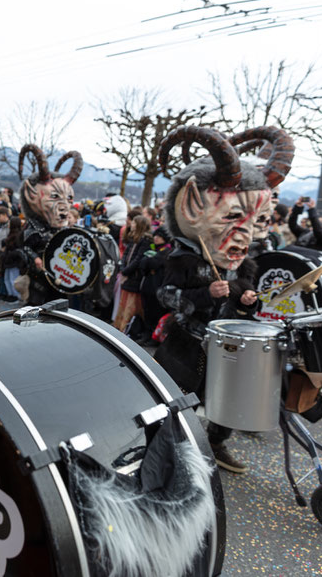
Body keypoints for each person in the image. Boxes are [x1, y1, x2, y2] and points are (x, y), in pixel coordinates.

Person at [154, 125, 292, 474]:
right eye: (232, 216)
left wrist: (246, 301)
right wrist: (202, 294)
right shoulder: (182, 259)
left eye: (256, 220)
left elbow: (243, 300)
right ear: (190, 205)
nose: (245, 235)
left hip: (226, 343)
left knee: (226, 399)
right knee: (176, 396)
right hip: (187, 342)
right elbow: (166, 296)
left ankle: (215, 442)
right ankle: (167, 445)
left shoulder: (243, 261)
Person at [19, 147, 83, 305]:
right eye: (54, 197)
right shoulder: (33, 227)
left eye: (69, 199)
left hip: (60, 281)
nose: (64, 206)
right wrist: (35, 259)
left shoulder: (65, 229)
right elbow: (25, 248)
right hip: (38, 281)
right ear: (31, 195)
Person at [113, 215, 152, 336]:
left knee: (131, 305)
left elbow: (137, 260)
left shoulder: (145, 241)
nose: (131, 224)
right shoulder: (133, 238)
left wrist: (125, 271)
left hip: (134, 277)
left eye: (134, 223)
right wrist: (123, 268)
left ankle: (128, 327)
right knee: (124, 303)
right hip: (128, 275)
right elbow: (125, 255)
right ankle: (120, 326)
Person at [1, 216, 25, 302]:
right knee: (7, 278)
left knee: (13, 279)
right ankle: (10, 294)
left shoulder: (18, 235)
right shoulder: (11, 234)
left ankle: (16, 296)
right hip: (9, 259)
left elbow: (17, 249)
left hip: (14, 260)